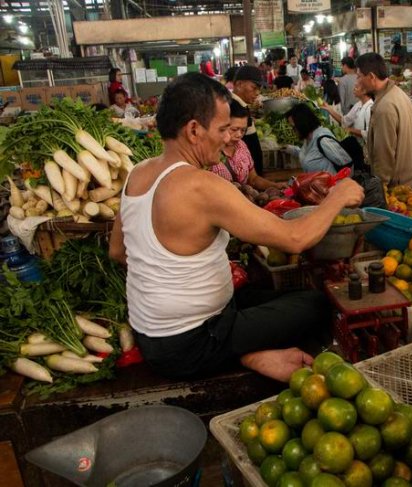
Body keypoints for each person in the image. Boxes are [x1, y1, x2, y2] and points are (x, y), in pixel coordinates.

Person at [109, 73, 364, 382]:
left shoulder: (137, 173)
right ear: (193, 130)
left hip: (154, 337)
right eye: (222, 129)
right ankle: (252, 358)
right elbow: (295, 238)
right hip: (191, 345)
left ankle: (245, 350)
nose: (229, 138)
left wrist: (174, 286)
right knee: (319, 304)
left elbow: (117, 251)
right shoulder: (201, 186)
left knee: (283, 296)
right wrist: (336, 197)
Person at [356, 53, 412, 187]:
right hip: (408, 179)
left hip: (395, 187)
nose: (357, 82)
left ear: (372, 76)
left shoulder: (385, 107)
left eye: (359, 76)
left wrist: (380, 188)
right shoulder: (399, 94)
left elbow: (384, 155)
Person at [210, 100, 287, 191]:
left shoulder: (241, 146)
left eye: (243, 130)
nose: (239, 135)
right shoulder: (209, 152)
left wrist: (275, 186)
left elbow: (253, 179)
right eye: (234, 129)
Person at [284, 103, 352, 174]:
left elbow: (347, 165)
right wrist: (291, 149)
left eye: (294, 127)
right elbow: (310, 155)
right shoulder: (308, 139)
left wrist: (337, 183)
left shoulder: (323, 140)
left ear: (302, 123)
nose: (292, 130)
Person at [231, 66, 265, 175]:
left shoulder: (242, 106)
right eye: (254, 88)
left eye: (259, 89)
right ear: (239, 84)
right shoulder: (232, 108)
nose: (257, 93)